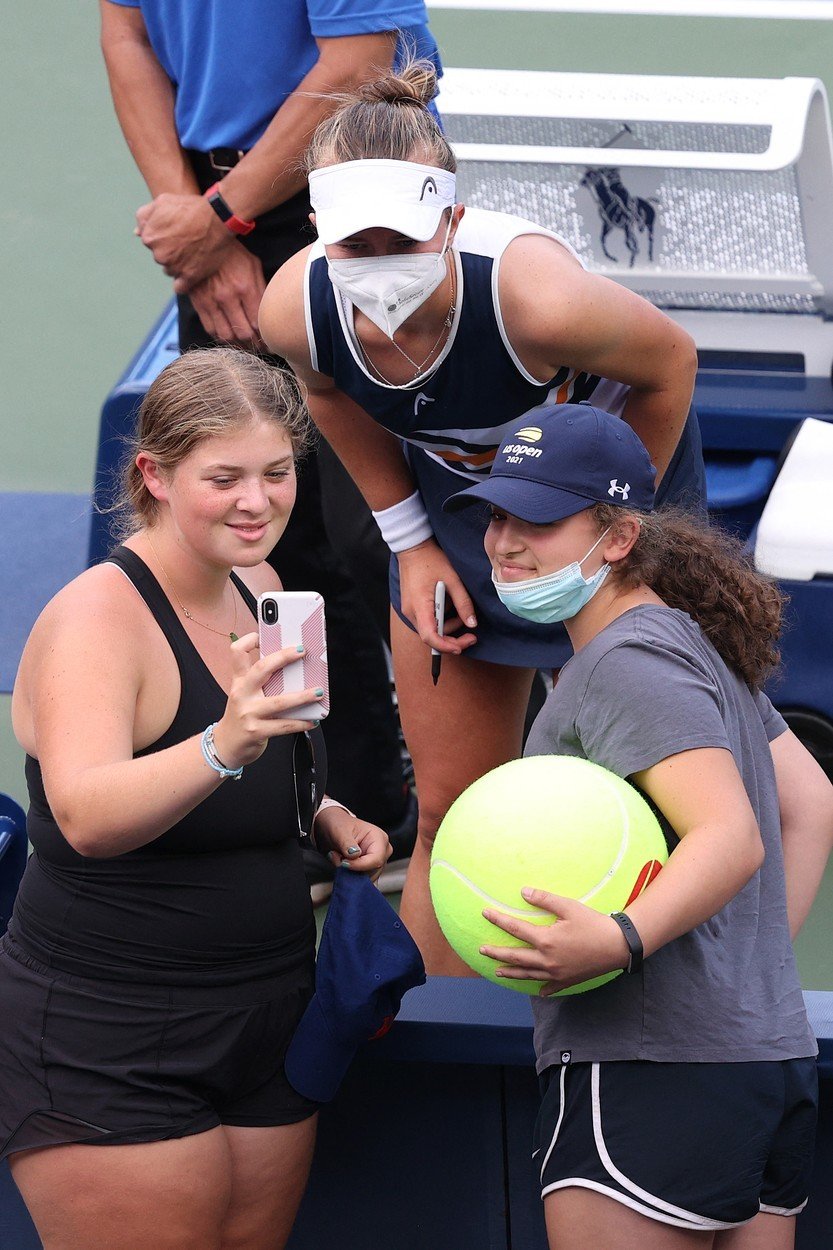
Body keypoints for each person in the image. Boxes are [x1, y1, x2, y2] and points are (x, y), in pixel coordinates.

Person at [258, 61, 703, 971]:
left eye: (404, 240)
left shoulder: (539, 300)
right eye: (355, 246)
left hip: (608, 496)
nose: (380, 268)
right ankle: (449, 1043)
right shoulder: (293, 309)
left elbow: (671, 368)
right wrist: (412, 545)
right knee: (454, 805)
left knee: (660, 795)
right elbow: (329, 397)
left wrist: (618, 536)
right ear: (315, 233)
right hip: (459, 506)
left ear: (453, 222)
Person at [1, 349, 390, 1250]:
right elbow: (89, 815)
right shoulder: (96, 619)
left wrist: (327, 815)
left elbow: (271, 772)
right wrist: (226, 742)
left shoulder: (262, 588)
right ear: (156, 476)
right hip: (112, 1038)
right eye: (224, 478)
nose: (257, 502)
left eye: (277, 472)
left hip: (267, 1018)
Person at [445, 402, 833, 1249]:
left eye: (538, 520)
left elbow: (731, 837)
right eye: (498, 514)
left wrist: (618, 939)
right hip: (758, 1063)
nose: (505, 541)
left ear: (617, 537)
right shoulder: (687, 645)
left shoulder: (624, 661)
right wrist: (744, 971)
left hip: (647, 1071)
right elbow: (809, 802)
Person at [97, 0, 436, 871]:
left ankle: (421, 801)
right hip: (207, 202)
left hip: (356, 206)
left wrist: (220, 218)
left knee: (377, 535)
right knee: (266, 537)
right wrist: (197, 220)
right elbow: (128, 31)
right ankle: (334, 802)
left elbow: (362, 56)